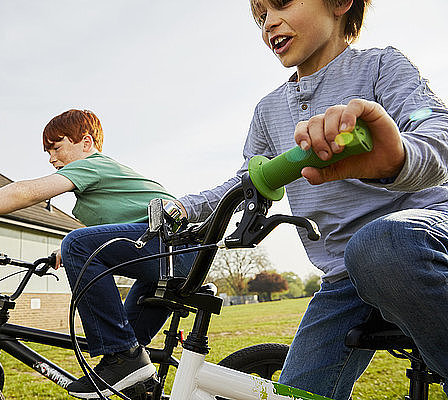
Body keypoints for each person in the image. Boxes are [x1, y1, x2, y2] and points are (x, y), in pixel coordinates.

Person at [169, 0, 448, 398]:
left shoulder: (382, 66)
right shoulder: (268, 112)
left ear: (339, 3)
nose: (269, 24)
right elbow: (245, 182)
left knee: (379, 244)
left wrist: (399, 157)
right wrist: (182, 208)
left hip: (419, 237)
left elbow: (438, 133)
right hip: (341, 276)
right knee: (295, 392)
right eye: (261, 16)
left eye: (281, 4)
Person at [0, 109, 196, 399]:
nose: (51, 158)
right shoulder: (103, 189)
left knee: (80, 250)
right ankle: (136, 378)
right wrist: (67, 251)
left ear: (86, 143)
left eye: (56, 147)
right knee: (132, 358)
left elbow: (25, 192)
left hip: (173, 248)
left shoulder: (94, 164)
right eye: (48, 151)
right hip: (172, 260)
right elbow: (122, 229)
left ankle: (122, 360)